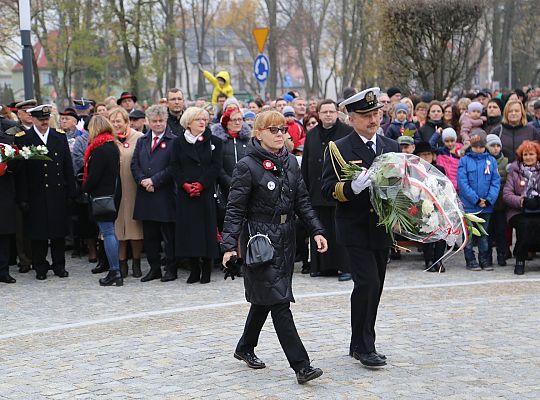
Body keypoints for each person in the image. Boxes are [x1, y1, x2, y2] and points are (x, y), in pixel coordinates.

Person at [221, 110, 327, 384]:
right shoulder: (247, 165)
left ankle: (245, 347)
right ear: (258, 133)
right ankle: (301, 366)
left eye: (283, 129)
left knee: (265, 299)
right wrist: (229, 246)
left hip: (287, 237)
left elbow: (302, 200)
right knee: (279, 301)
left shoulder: (291, 161)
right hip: (260, 241)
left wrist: (316, 229)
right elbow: (235, 209)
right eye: (273, 129)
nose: (280, 134)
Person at [321, 87, 400, 368]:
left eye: (376, 113)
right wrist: (351, 188)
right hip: (354, 226)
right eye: (365, 115)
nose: (373, 119)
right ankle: (366, 347)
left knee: (375, 286)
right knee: (367, 282)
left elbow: (399, 185)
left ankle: (359, 342)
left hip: (380, 227)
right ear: (351, 118)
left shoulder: (390, 147)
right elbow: (327, 188)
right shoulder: (339, 148)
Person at [15, 104, 76, 280]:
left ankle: (59, 265)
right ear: (32, 119)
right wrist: (23, 198)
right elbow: (22, 172)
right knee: (38, 233)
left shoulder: (59, 136)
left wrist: (71, 191)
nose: (44, 122)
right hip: (36, 193)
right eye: (40, 120)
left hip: (57, 192)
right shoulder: (24, 138)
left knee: (58, 232)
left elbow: (67, 166)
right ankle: (40, 266)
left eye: (46, 119)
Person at [302, 99, 353, 280]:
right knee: (321, 228)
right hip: (317, 190)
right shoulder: (312, 134)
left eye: (331, 111)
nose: (328, 115)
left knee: (340, 229)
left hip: (338, 190)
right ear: (319, 114)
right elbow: (306, 163)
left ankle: (345, 267)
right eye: (324, 112)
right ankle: (323, 266)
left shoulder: (347, 132)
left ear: (337, 113)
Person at [171, 107, 222, 284]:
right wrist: (185, 184)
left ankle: (207, 269)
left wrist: (201, 184)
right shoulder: (178, 143)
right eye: (198, 119)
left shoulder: (214, 141)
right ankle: (194, 268)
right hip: (186, 194)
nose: (202, 122)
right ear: (188, 122)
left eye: (204, 119)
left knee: (206, 231)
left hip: (205, 192)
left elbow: (216, 167)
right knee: (190, 232)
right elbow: (174, 166)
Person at [131, 105, 176, 282]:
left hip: (164, 194)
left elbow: (174, 166)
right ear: (148, 122)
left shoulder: (174, 140)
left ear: (166, 121)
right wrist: (142, 180)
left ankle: (171, 269)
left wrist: (154, 181)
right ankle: (154, 268)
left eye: (161, 121)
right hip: (146, 194)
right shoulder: (142, 141)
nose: (158, 124)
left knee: (168, 236)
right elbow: (134, 164)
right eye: (154, 121)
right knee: (150, 236)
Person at [83, 116, 123, 286]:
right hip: (113, 194)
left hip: (102, 196)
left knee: (107, 233)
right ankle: (115, 270)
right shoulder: (112, 146)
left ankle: (115, 271)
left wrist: (84, 187)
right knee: (110, 232)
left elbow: (94, 177)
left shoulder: (99, 149)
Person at [109, 107, 144, 278]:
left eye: (119, 121)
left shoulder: (139, 138)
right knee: (118, 229)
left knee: (134, 228)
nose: (116, 124)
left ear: (127, 122)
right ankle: (121, 263)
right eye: (113, 121)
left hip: (133, 188)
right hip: (115, 189)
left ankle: (136, 262)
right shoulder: (108, 139)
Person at [457, 134, 500, 271]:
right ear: (471, 146)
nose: (478, 149)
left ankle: (484, 259)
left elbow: (495, 182)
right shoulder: (464, 161)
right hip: (469, 206)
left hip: (486, 206)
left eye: (481, 146)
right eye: (475, 146)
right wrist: (475, 199)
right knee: (469, 236)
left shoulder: (491, 161)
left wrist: (488, 200)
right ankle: (470, 259)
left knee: (484, 235)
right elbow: (462, 183)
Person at [503, 140, 540, 275]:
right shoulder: (514, 171)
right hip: (518, 210)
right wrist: (522, 201)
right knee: (525, 225)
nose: (528, 157)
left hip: (538, 208)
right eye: (525, 154)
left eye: (532, 154)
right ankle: (520, 259)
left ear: (537, 156)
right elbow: (507, 194)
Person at [212, 108, 251, 229]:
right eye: (234, 120)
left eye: (240, 119)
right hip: (225, 192)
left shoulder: (248, 141)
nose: (238, 122)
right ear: (226, 122)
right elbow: (218, 167)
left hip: (246, 189)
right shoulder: (219, 142)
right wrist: (230, 183)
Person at [414, 142, 447, 272]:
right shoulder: (414, 170)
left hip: (439, 205)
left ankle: (438, 260)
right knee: (427, 233)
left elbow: (445, 187)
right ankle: (428, 260)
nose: (426, 157)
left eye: (428, 154)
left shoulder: (440, 169)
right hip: (421, 206)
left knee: (441, 233)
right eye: (423, 155)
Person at [486, 134, 509, 266]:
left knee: (501, 231)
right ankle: (487, 256)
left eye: (497, 145)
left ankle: (502, 254)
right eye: (492, 146)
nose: (495, 148)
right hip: (488, 204)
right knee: (488, 232)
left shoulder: (505, 162)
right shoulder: (485, 161)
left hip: (501, 204)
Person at [0, 131, 17, 283]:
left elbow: (16, 163)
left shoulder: (6, 139)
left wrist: (7, 166)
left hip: (3, 191)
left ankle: (3, 270)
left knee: (4, 234)